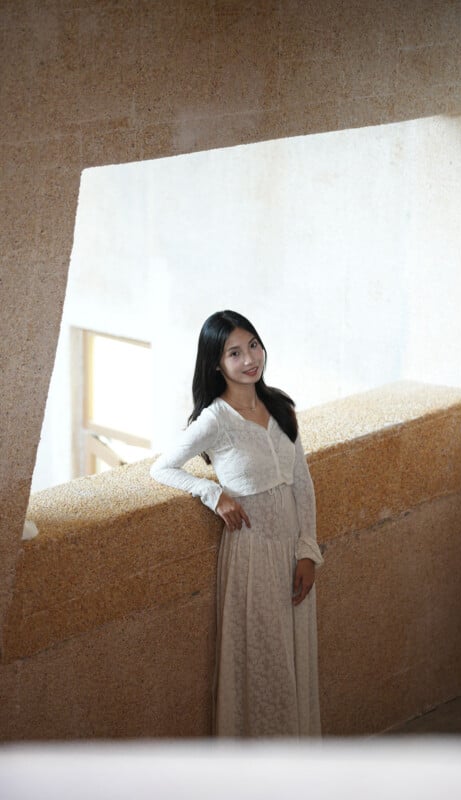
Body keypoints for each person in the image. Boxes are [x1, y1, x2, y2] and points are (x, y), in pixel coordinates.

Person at [150, 310, 323, 737]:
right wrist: (212, 494)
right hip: (251, 555)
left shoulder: (279, 405)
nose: (249, 359)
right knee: (263, 662)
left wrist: (308, 550)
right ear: (216, 362)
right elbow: (162, 468)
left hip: (291, 551)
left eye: (253, 346)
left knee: (294, 657)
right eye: (234, 352)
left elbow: (302, 481)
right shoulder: (215, 419)